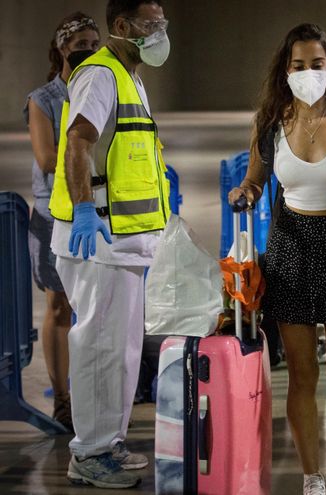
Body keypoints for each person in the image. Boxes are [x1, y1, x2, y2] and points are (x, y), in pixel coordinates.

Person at [228, 23, 326, 495]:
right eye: (298, 65)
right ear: (286, 70)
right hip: (291, 252)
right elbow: (255, 182)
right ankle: (311, 475)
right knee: (301, 375)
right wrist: (245, 191)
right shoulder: (270, 123)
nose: (307, 72)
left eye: (316, 64)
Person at [48, 0, 170, 488]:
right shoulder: (100, 75)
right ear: (122, 26)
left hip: (123, 245)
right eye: (151, 24)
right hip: (97, 240)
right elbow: (79, 142)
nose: (161, 32)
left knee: (119, 351)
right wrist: (82, 209)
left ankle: (109, 444)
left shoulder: (128, 75)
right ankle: (90, 453)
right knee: (99, 349)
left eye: (163, 23)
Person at [24, 11, 100, 433]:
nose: (88, 50)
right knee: (59, 307)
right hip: (54, 215)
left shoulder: (104, 87)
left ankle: (91, 389)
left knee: (92, 306)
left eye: (94, 42)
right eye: (79, 44)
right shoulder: (44, 99)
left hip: (95, 211)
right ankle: (63, 399)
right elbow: (47, 159)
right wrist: (85, 151)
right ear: (61, 49)